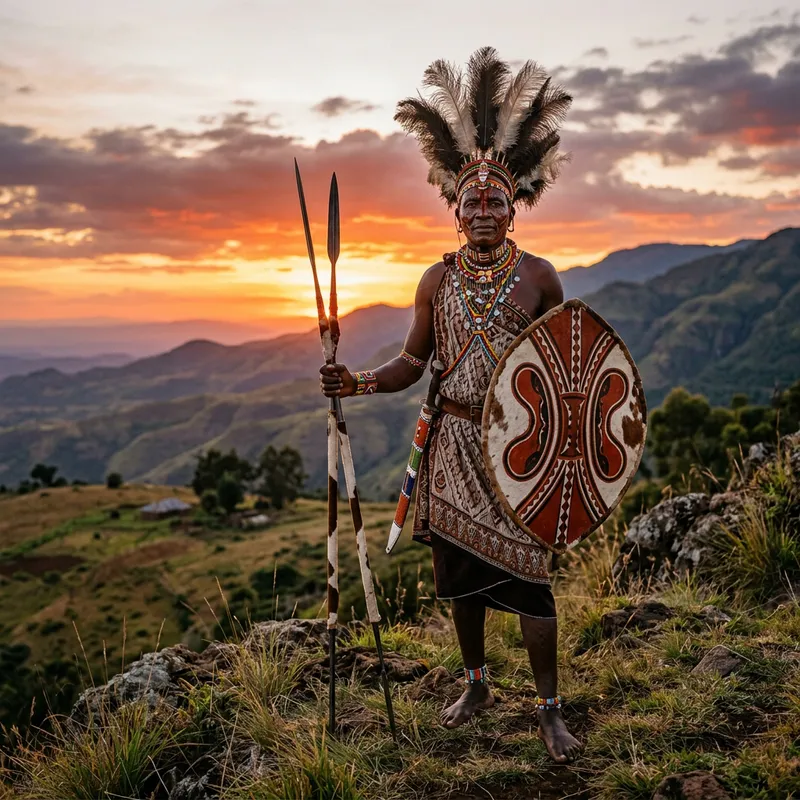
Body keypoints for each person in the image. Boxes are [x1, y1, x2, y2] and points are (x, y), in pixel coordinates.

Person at [319, 47, 582, 763]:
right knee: (461, 576)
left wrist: (561, 452)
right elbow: (413, 361)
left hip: (519, 455)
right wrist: (358, 383)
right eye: (472, 199)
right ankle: (476, 683)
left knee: (530, 584)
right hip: (454, 450)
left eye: (497, 197)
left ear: (514, 204)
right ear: (455, 208)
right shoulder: (435, 282)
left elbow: (568, 372)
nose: (485, 208)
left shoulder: (540, 279)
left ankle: (551, 708)